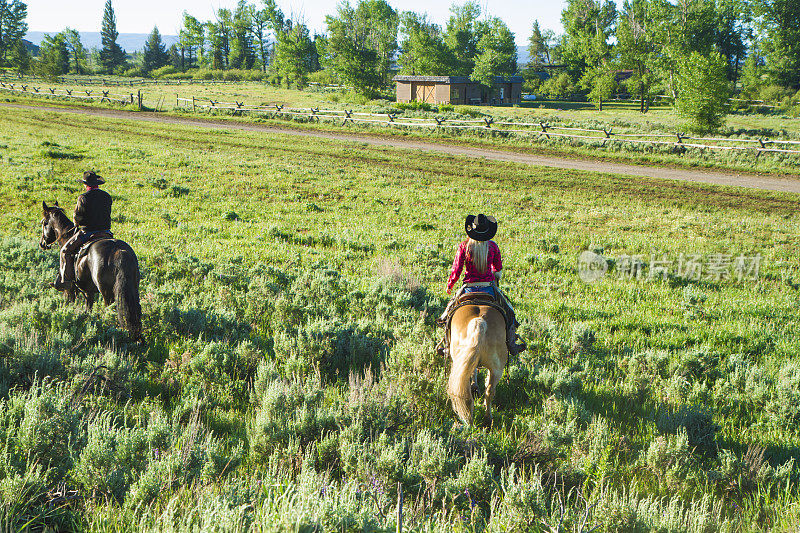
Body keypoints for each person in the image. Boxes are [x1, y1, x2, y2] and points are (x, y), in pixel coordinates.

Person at [436, 214, 526, 358]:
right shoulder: (492, 246)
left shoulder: (464, 246)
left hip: (469, 287)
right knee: (509, 311)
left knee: (447, 314)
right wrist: (496, 275)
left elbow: (457, 269)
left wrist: (450, 284)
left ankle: (447, 344)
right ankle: (511, 344)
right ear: (487, 231)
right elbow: (498, 268)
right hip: (488, 287)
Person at [53, 171, 113, 290]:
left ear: (86, 185)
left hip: (88, 232)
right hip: (106, 232)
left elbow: (77, 217)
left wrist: (76, 224)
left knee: (65, 251)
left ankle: (67, 282)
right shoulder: (107, 196)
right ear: (97, 184)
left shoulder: (83, 197)